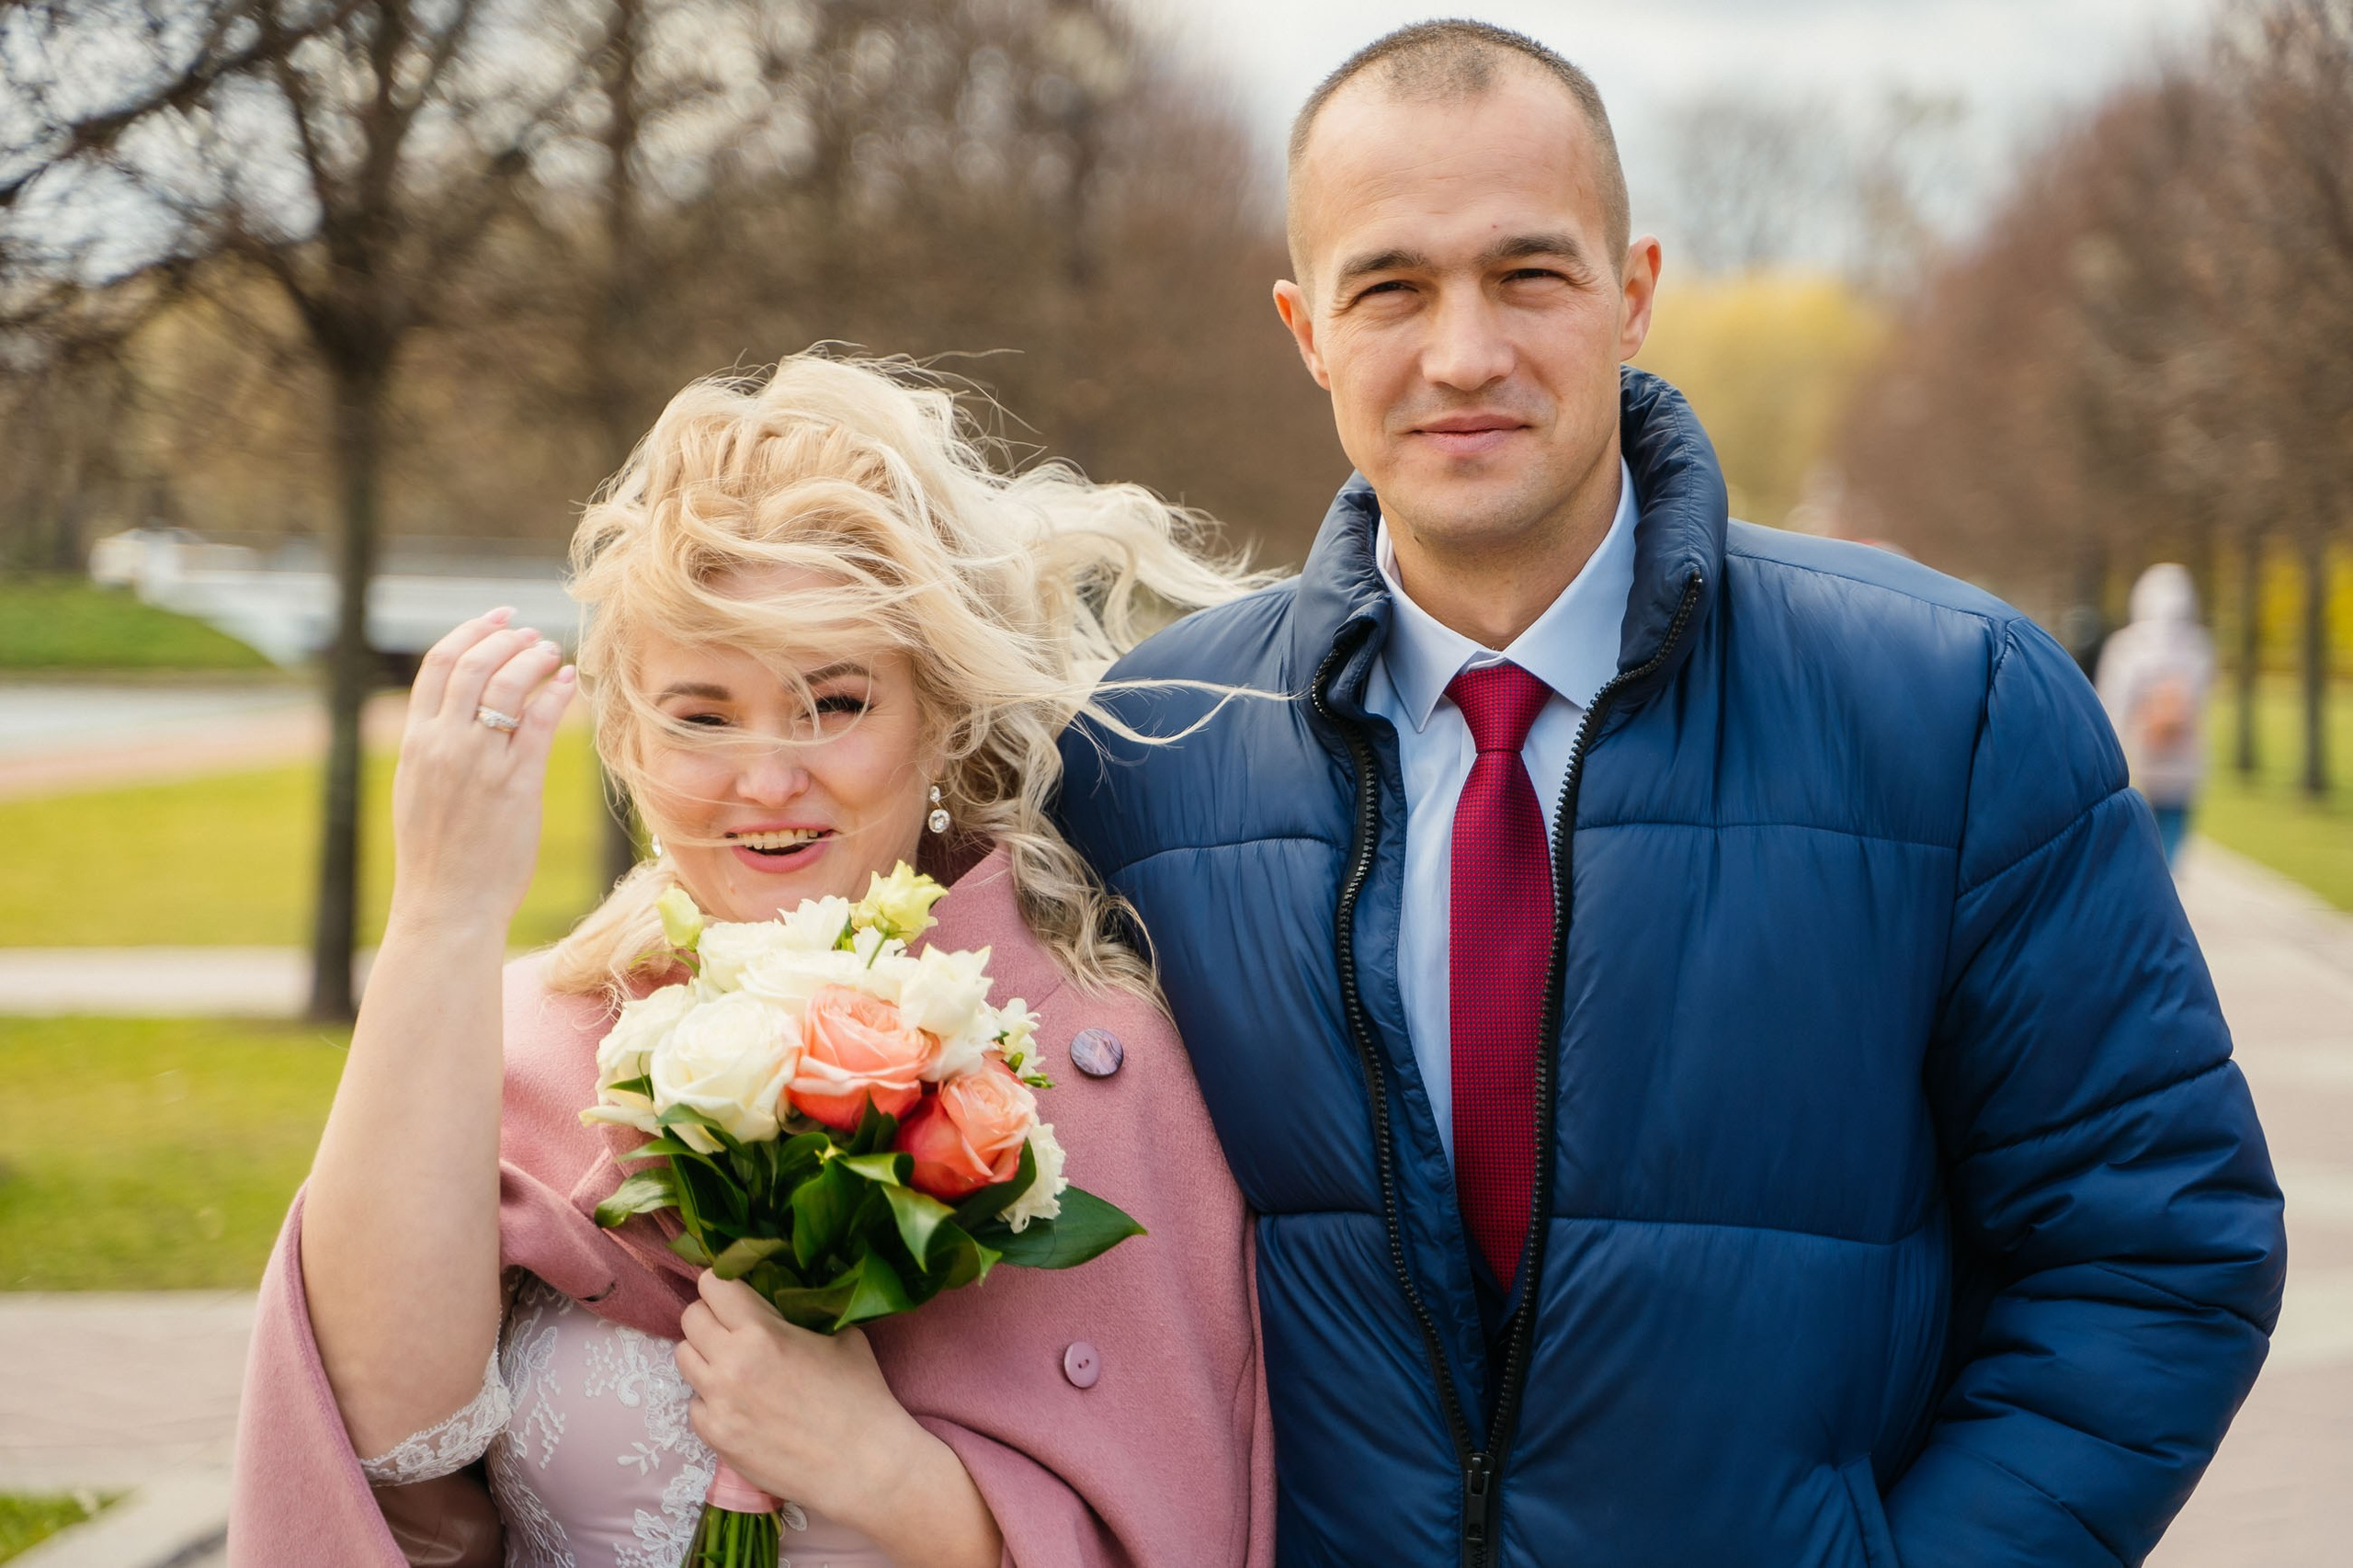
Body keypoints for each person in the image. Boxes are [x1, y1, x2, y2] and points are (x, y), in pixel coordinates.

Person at [1055, 21, 2285, 1567]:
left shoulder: (1956, 710)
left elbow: (2158, 1251)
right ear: (1307, 326)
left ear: (1633, 294)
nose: (1463, 353)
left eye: (1528, 273)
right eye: (1391, 287)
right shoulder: (1138, 759)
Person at [230, 356, 1276, 1567]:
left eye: (833, 703)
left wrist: (886, 1475)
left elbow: (1186, 1521)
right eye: (703, 713)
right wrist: (443, 914)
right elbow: (386, 1458)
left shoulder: (1100, 1053)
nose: (768, 779)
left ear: (935, 712)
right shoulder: (529, 1041)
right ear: (624, 733)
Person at [2097, 562, 2218, 869]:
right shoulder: (2199, 647)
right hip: (2183, 761)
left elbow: (2114, 705)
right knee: (2171, 841)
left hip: (2140, 759)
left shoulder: (2127, 647)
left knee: (2140, 839)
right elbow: (2203, 700)